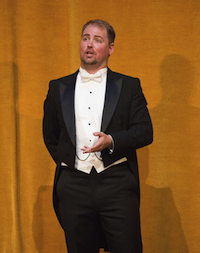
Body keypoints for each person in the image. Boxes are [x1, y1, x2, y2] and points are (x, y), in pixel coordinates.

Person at [43, 19, 153, 253]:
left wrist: (112, 141)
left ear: (110, 48)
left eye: (97, 39)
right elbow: (51, 135)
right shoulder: (57, 87)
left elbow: (145, 131)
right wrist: (72, 163)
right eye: (85, 38)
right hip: (73, 186)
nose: (89, 44)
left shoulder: (129, 86)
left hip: (116, 182)